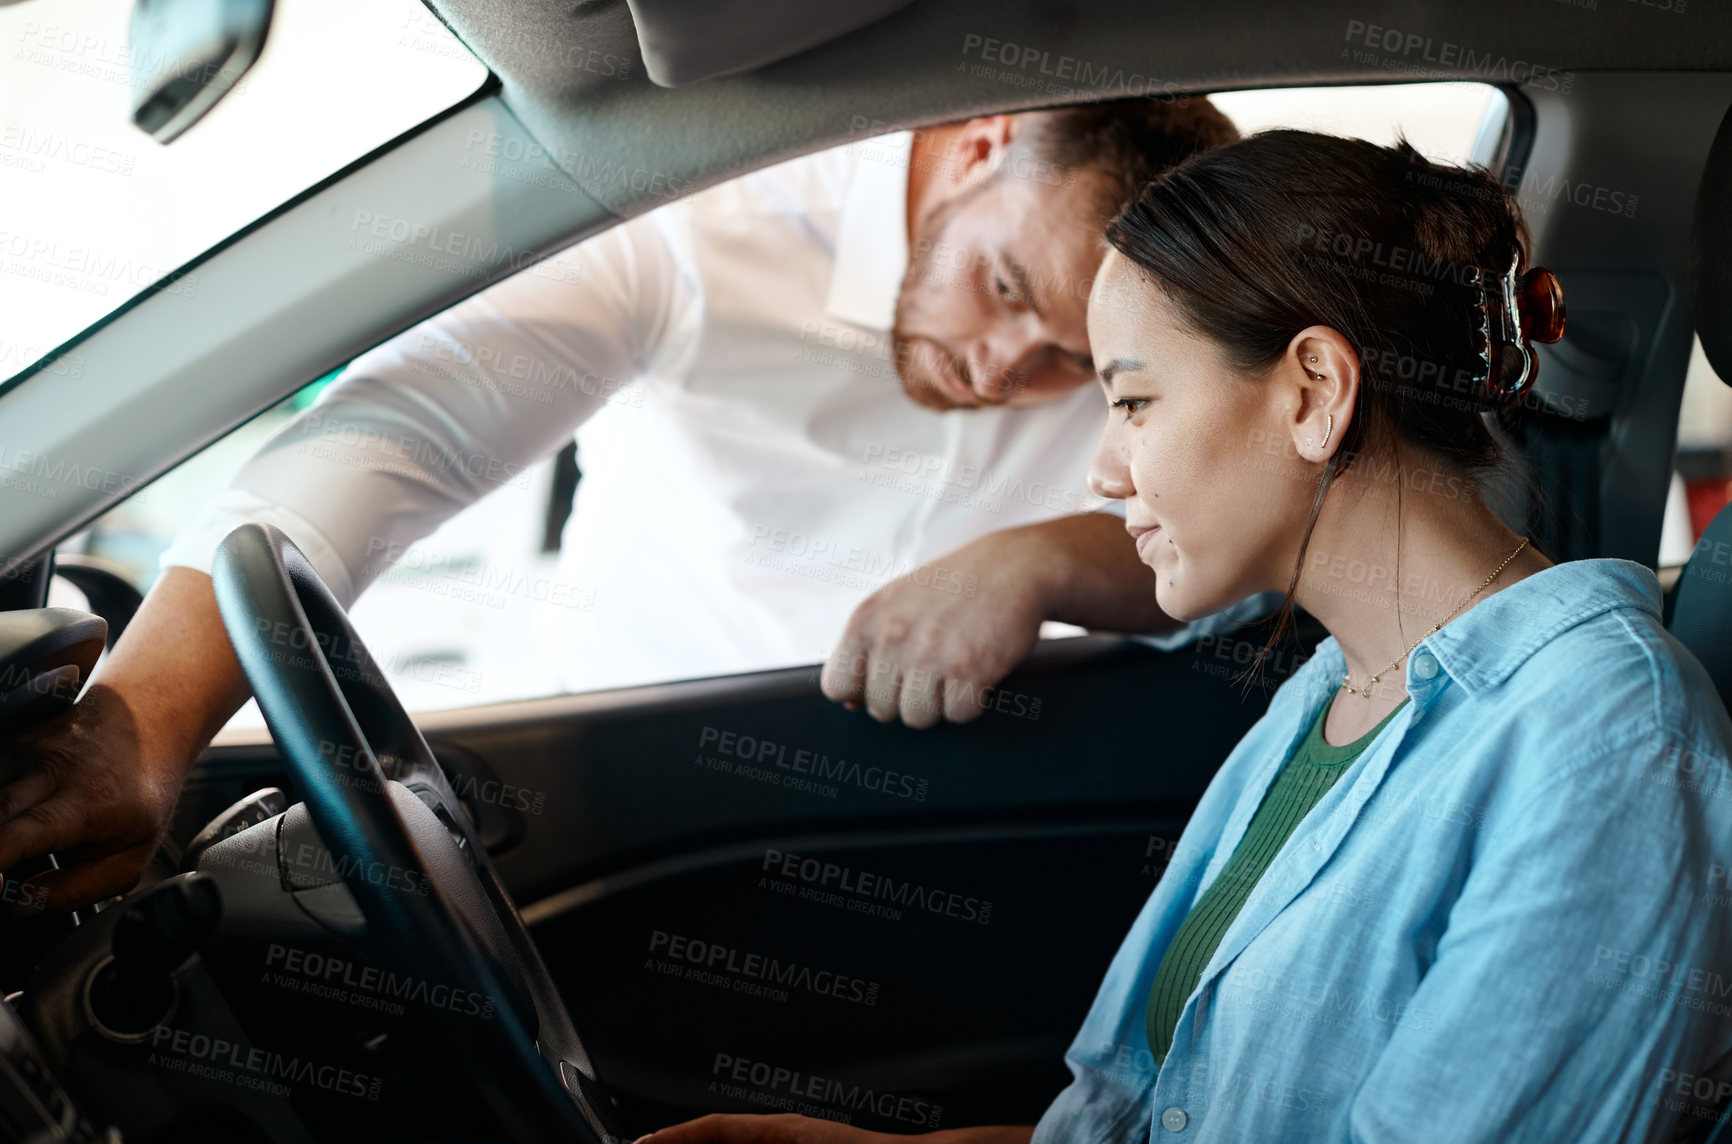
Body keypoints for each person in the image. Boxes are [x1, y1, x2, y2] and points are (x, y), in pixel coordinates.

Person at [633, 133, 1732, 1144]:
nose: (1105, 471)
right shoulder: (1327, 692)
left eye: (1136, 402)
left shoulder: (1606, 739)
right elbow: (1133, 1126)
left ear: (1313, 392)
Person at [0, 99, 1270, 912]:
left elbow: (1246, 542)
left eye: (1071, 362)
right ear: (985, 137)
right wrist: (143, 729)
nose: (1007, 372)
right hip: (617, 819)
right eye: (1003, 285)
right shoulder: (708, 203)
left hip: (937, 861)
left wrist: (1040, 556)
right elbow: (393, 441)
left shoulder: (1145, 333)